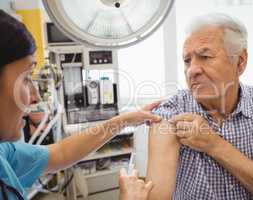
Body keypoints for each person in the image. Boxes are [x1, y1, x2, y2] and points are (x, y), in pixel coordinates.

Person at [0, 10, 158, 200]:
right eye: (26, 78)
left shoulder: (4, 153)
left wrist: (126, 119)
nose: (35, 96)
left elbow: (60, 153)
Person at [146, 13, 253, 200]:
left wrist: (214, 145)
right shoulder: (171, 112)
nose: (192, 70)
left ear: (240, 62)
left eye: (205, 56)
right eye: (187, 60)